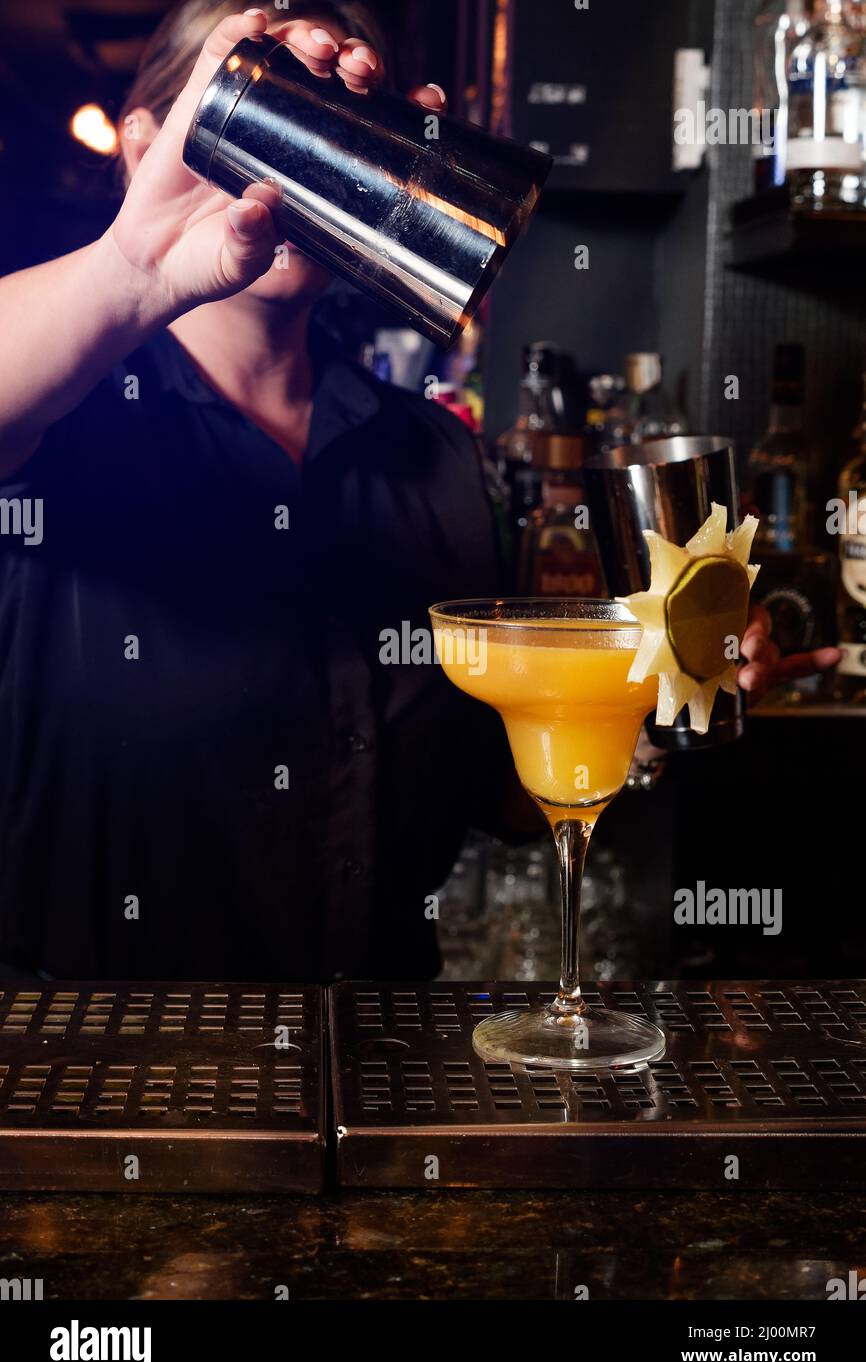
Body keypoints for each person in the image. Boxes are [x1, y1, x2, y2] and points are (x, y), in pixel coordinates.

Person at [0, 4, 835, 984]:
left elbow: (496, 789)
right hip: (106, 1088)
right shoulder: (64, 421)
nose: (299, 162)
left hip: (384, 1077)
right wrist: (133, 267)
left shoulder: (430, 452)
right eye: (262, 101)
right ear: (146, 140)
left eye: (339, 123)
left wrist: (649, 701)